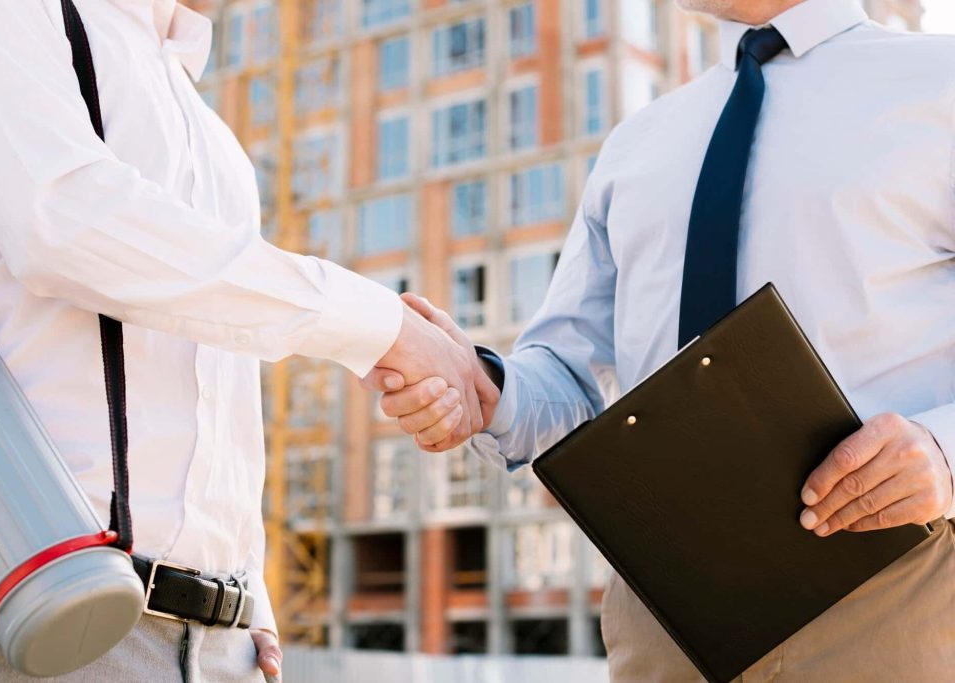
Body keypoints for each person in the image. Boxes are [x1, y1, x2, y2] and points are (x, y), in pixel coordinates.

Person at [368, 0, 955, 680]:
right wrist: (485, 388)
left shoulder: (939, 81)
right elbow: (568, 368)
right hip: (667, 610)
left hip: (891, 586)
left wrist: (943, 453)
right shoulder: (637, 142)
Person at [0, 1, 493, 681]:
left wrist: (248, 586)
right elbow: (64, 223)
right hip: (34, 610)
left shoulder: (203, 122)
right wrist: (381, 328)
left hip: (217, 640)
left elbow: (213, 376)